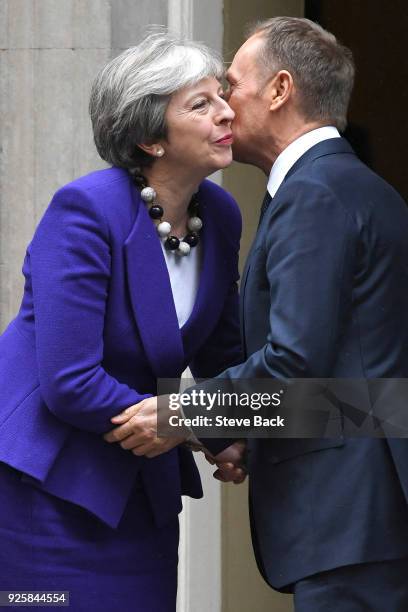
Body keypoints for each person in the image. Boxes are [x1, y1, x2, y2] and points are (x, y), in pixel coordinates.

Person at [109, 17, 408, 611]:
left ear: (279, 90)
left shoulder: (316, 194)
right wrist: (243, 428)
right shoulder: (351, 186)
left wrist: (183, 413)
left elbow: (297, 363)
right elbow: (352, 375)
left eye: (230, 85)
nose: (222, 105)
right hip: (361, 513)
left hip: (349, 517)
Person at [0, 32, 242, 611]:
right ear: (149, 138)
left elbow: (224, 357)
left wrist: (231, 431)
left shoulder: (222, 213)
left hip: (143, 489)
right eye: (200, 103)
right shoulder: (86, 210)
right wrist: (189, 423)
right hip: (49, 490)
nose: (227, 110)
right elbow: (70, 379)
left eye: (223, 95)